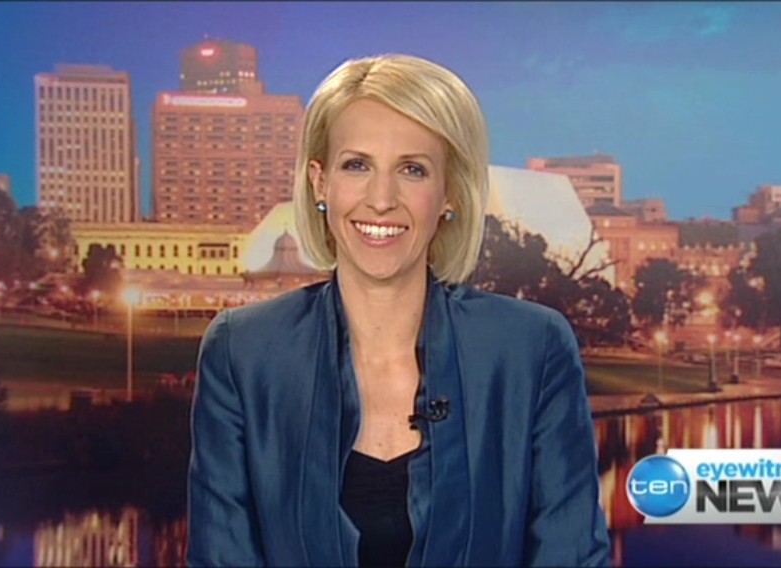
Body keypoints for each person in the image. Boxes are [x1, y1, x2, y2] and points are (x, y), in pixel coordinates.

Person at [188, 53, 611, 567]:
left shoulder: (529, 349)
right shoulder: (244, 352)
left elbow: (570, 554)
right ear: (320, 182)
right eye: (357, 165)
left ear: (450, 192)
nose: (382, 199)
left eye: (412, 169)